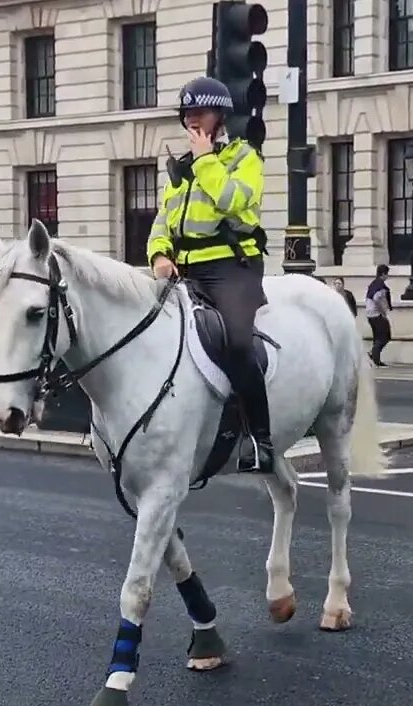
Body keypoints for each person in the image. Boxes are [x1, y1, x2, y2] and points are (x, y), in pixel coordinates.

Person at [146, 75, 273, 473]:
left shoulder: (243, 158)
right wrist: (158, 256)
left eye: (200, 113)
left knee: (236, 342)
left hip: (232, 267)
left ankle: (260, 438)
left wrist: (205, 161)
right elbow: (162, 222)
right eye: (188, 115)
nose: (192, 122)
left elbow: (233, 201)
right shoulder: (180, 170)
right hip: (185, 271)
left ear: (221, 117)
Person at [366, 264, 393, 367]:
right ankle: (374, 356)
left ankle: (375, 356)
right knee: (385, 336)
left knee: (378, 337)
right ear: (383, 274)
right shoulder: (380, 286)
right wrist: (382, 311)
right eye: (387, 274)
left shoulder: (373, 284)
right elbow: (376, 298)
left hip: (370, 315)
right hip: (377, 314)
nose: (388, 276)